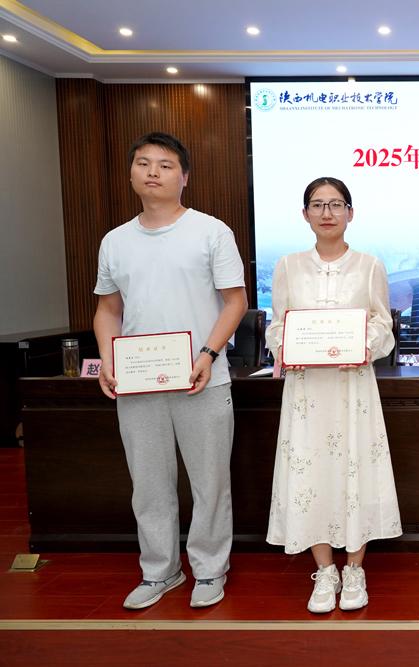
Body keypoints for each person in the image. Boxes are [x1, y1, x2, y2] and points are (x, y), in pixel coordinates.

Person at [93, 132, 248, 609]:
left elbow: (235, 301)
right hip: (138, 382)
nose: (153, 172)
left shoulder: (211, 231)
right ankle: (160, 571)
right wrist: (108, 358)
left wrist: (208, 354)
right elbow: (107, 310)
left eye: (165, 165)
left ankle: (209, 569)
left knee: (209, 482)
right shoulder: (115, 241)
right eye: (143, 163)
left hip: (202, 377)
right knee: (148, 484)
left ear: (184, 177)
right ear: (131, 174)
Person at [265, 177, 402, 614]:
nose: (327, 213)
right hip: (307, 390)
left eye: (336, 204)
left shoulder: (369, 265)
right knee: (312, 474)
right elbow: (277, 324)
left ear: (350, 213)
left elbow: (382, 324)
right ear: (305, 213)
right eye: (318, 204)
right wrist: (285, 348)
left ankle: (355, 568)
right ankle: (325, 570)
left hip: (351, 386)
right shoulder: (287, 266)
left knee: (355, 469)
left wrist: (361, 346)